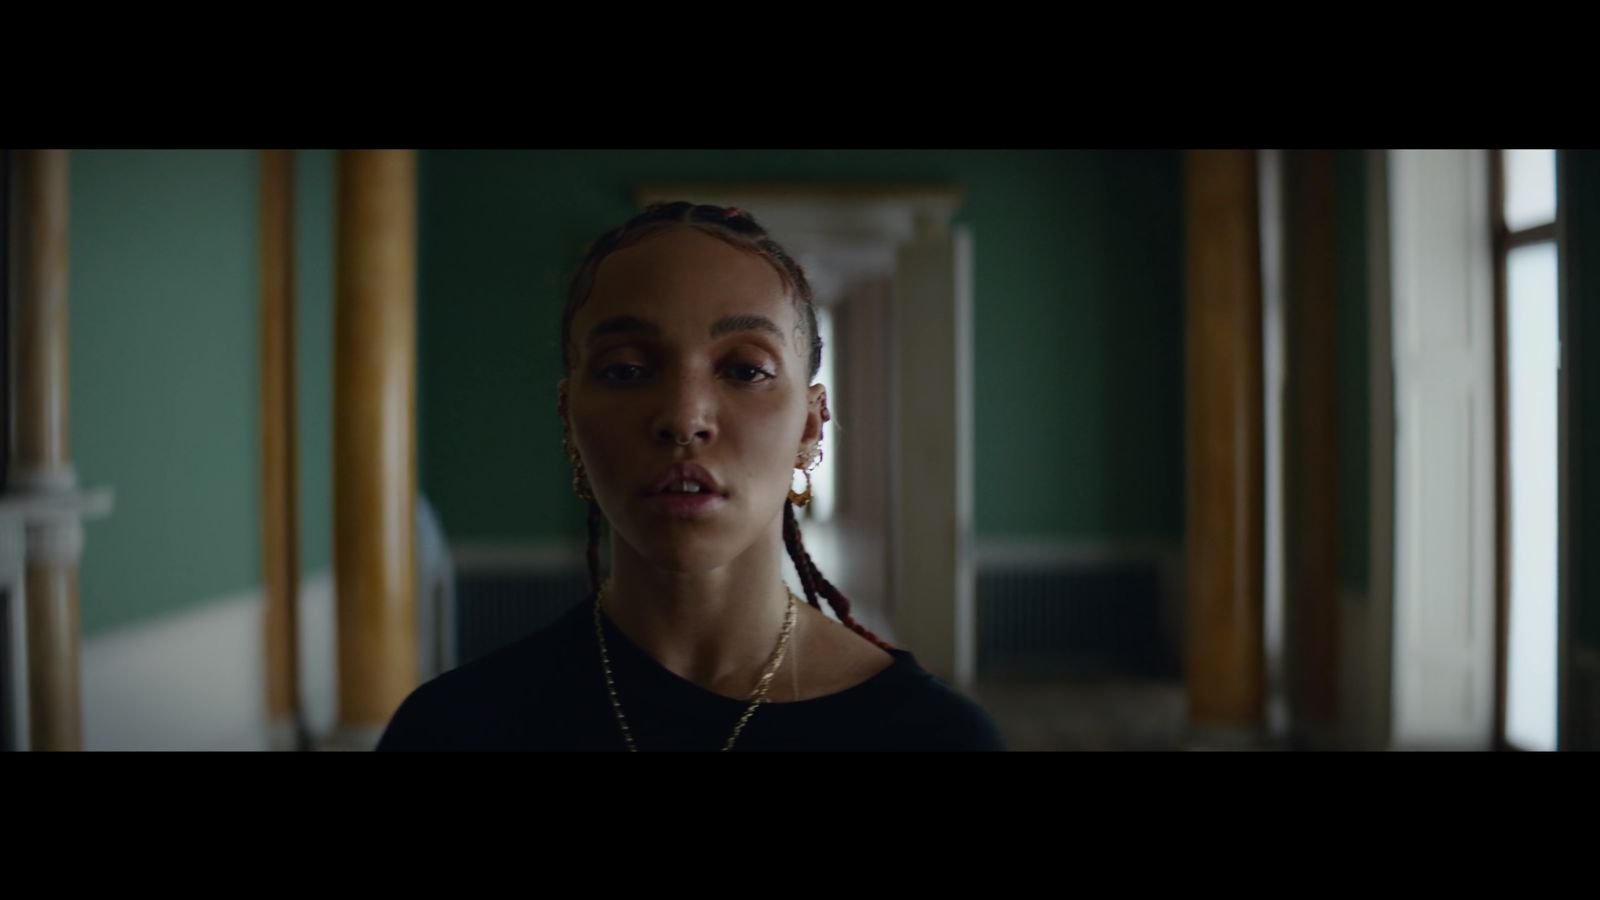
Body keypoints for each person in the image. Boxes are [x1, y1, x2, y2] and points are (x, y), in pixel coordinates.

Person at [377, 201, 1005, 751]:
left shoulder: (933, 737)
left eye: (745, 370)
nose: (683, 418)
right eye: (626, 369)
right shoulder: (453, 729)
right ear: (569, 418)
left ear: (811, 427)